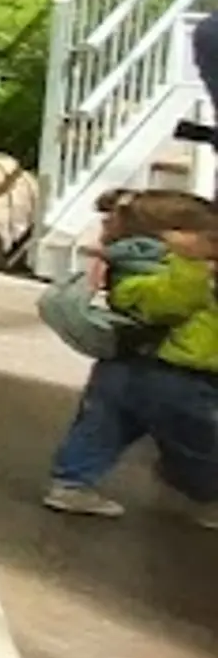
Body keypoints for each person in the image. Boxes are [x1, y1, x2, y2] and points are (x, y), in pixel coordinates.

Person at [42, 192, 218, 517]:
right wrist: (191, 264)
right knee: (200, 444)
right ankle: (203, 490)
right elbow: (171, 303)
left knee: (103, 425)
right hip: (179, 376)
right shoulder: (146, 273)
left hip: (128, 368)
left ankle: (72, 481)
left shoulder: (145, 269)